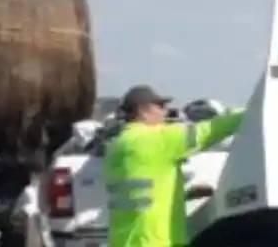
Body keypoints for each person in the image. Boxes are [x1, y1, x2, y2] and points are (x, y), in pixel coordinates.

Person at [103, 85, 245, 247]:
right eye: (161, 106)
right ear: (142, 110)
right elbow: (208, 131)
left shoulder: (116, 146)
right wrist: (250, 111)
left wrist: (184, 195)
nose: (165, 112)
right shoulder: (156, 139)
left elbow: (140, 193)